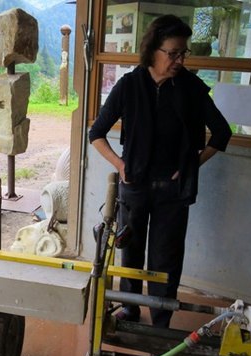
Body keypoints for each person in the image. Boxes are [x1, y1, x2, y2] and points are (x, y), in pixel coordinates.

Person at [89, 15, 232, 327]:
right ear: (153, 50)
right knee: (130, 251)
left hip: (173, 192)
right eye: (173, 53)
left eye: (183, 53)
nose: (180, 60)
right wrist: (120, 164)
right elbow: (96, 133)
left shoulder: (191, 88)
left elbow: (222, 133)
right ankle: (130, 308)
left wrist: (192, 165)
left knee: (166, 258)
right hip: (134, 186)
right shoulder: (129, 86)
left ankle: (160, 318)